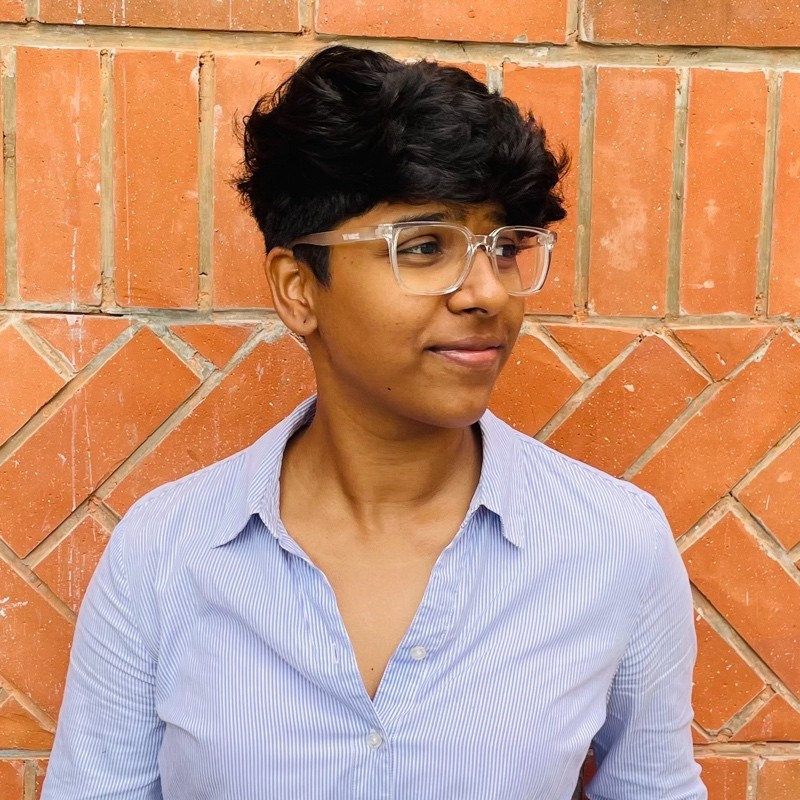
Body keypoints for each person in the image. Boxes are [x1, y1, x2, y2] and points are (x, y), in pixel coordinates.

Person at [42, 45, 705, 800]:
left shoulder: (613, 543)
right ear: (298, 290)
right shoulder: (164, 555)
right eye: (425, 248)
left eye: (507, 248)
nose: (488, 292)